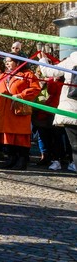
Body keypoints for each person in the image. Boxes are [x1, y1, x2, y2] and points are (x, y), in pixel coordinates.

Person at [0, 56, 41, 170]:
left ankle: (22, 160)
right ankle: (11, 159)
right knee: (8, 137)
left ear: (17, 62)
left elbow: (35, 89)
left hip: (19, 112)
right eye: (6, 61)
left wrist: (21, 95)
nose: (7, 63)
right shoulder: (2, 76)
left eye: (9, 61)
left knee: (20, 137)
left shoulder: (28, 75)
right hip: (5, 112)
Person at [39, 52, 77, 183]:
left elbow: (48, 71)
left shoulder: (71, 61)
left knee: (74, 146)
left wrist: (43, 59)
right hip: (66, 112)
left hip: (69, 111)